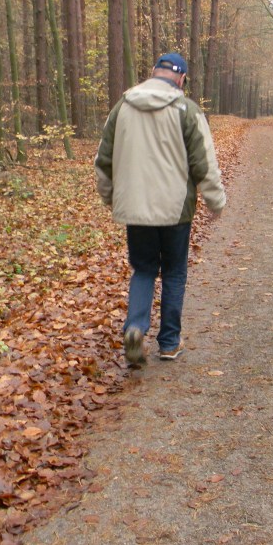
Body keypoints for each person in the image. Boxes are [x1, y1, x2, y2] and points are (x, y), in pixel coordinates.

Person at [95, 53, 226, 368]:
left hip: (135, 207)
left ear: (154, 73)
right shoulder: (187, 110)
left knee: (143, 269)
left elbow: (104, 159)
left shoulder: (122, 107)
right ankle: (168, 343)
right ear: (181, 79)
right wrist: (215, 200)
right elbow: (203, 163)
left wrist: (110, 196)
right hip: (175, 209)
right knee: (174, 272)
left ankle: (135, 327)